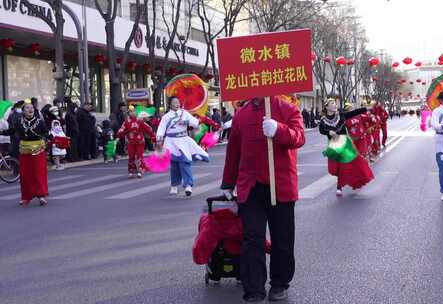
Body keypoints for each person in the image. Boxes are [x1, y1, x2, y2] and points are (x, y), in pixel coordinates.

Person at [221, 96, 305, 302]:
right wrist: (228, 184)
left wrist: (278, 129)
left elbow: (299, 137)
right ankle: (254, 288)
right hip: (250, 187)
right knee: (252, 238)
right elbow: (233, 151)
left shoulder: (288, 108)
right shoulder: (241, 114)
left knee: (282, 237)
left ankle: (279, 283)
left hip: (281, 185)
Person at [319, 98, 373, 196]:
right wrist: (328, 132)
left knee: (348, 165)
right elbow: (321, 130)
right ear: (327, 107)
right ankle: (342, 184)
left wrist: (365, 109)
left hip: (344, 144)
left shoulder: (341, 115)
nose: (335, 105)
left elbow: (354, 112)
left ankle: (340, 187)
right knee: (333, 169)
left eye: (335, 103)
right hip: (333, 145)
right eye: (332, 103)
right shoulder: (323, 120)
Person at [156, 97, 209, 196]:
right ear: (170, 104)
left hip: (183, 140)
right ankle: (174, 185)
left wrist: (186, 122)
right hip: (171, 142)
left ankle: (188, 185)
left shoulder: (184, 113)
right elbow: (161, 128)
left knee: (185, 162)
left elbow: (196, 123)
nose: (177, 104)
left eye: (178, 102)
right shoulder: (166, 117)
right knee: (174, 165)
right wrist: (159, 140)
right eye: (174, 102)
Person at [0, 100, 49, 206]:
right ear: (23, 111)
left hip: (38, 150)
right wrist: (1, 132)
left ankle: (41, 196)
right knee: (26, 174)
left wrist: (54, 138)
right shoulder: (18, 121)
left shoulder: (40, 121)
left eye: (31, 107)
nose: (30, 109)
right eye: (27, 108)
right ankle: (26, 197)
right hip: (25, 150)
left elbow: (46, 132)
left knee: (38, 173)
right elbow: (12, 131)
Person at [116, 106, 156, 178]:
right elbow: (121, 130)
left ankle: (140, 170)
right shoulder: (126, 122)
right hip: (130, 142)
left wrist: (153, 136)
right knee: (131, 157)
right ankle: (131, 171)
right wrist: (118, 137)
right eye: (130, 111)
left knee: (139, 156)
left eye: (133, 111)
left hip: (140, 142)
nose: (132, 113)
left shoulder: (140, 120)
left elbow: (148, 128)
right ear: (128, 113)